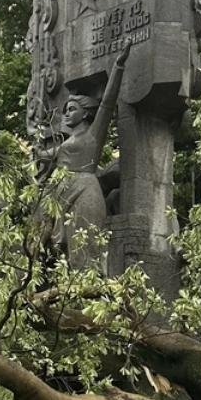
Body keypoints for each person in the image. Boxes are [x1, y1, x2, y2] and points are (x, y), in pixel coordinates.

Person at [51, 42, 131, 270]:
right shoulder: (66, 143)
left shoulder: (93, 136)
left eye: (72, 109)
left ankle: (91, 293)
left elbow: (106, 103)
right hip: (62, 192)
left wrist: (118, 66)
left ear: (86, 112)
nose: (67, 114)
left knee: (84, 246)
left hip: (85, 189)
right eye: (66, 110)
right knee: (62, 250)